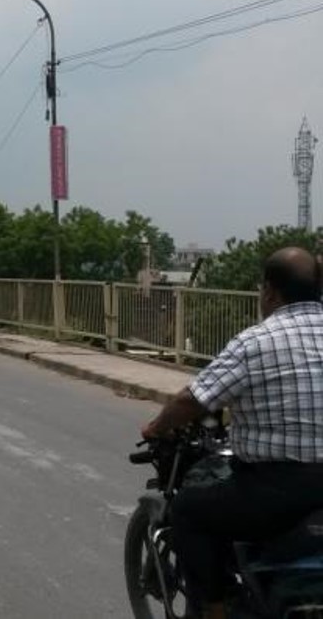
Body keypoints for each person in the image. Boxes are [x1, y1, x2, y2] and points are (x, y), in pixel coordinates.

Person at [141, 247, 323, 619]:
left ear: (270, 292)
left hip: (282, 490)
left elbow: (193, 400)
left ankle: (214, 608)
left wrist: (157, 426)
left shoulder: (255, 342)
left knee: (189, 510)